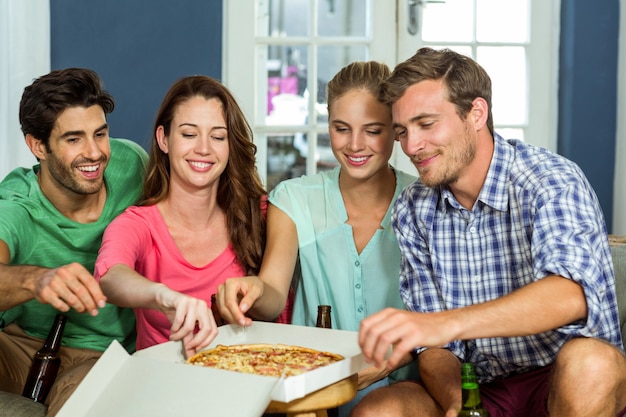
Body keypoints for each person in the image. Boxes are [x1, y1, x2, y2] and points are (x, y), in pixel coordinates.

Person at [353, 47, 626, 417]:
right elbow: (437, 349)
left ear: (476, 113)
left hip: (562, 380)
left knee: (591, 362)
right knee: (380, 410)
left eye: (427, 124)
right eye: (402, 131)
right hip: (478, 387)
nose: (411, 146)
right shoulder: (413, 209)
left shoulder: (550, 180)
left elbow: (571, 295)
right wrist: (460, 405)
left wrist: (441, 324)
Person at [218, 61, 418, 416]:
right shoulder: (293, 198)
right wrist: (254, 289)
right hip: (312, 383)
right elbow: (274, 295)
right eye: (342, 129)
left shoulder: (422, 199)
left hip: (402, 382)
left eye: (373, 130)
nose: (355, 145)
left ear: (395, 130)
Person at [0, 68, 148, 416]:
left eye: (100, 134)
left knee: (85, 402)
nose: (95, 153)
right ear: (38, 146)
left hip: (102, 354)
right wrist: (37, 279)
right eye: (73, 139)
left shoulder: (133, 165)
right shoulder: (17, 204)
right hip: (20, 345)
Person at [94, 75, 275, 358]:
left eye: (218, 136)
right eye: (189, 134)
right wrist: (164, 297)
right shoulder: (137, 224)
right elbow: (110, 276)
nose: (203, 148)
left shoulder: (261, 214)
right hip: (162, 387)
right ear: (163, 139)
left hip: (245, 380)